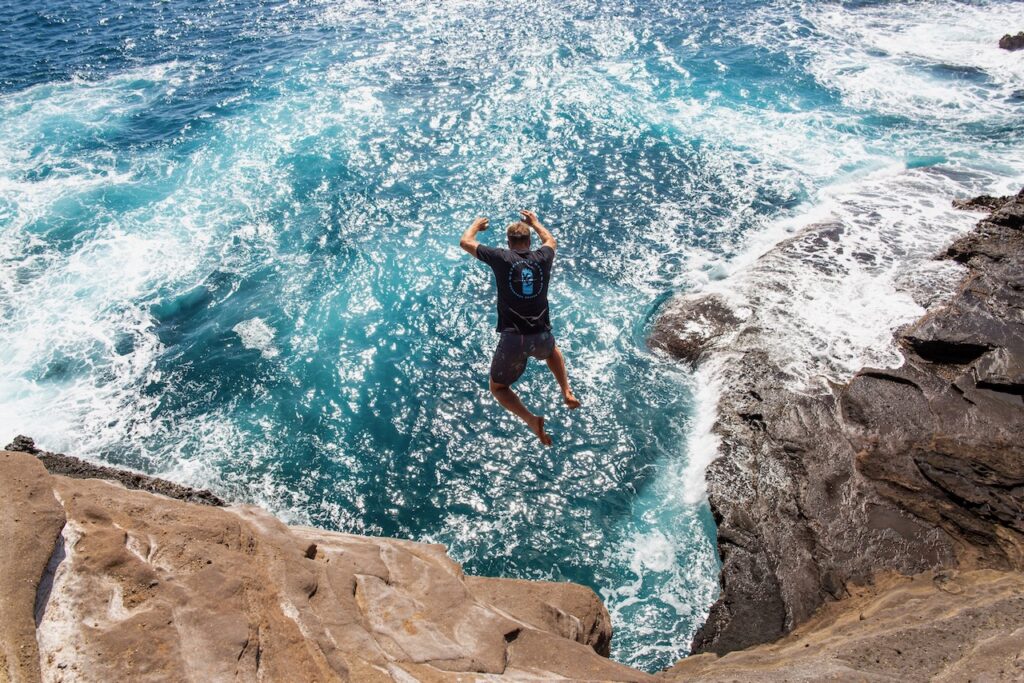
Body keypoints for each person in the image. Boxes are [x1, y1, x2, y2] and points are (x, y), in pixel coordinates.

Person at [459, 210, 580, 445]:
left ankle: (531, 420)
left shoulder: (502, 258)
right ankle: (566, 389)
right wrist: (535, 222)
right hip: (541, 335)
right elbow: (551, 241)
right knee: (552, 350)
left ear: (508, 242)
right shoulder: (543, 257)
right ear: (530, 242)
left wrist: (475, 225)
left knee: (499, 388)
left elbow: (465, 242)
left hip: (514, 339)